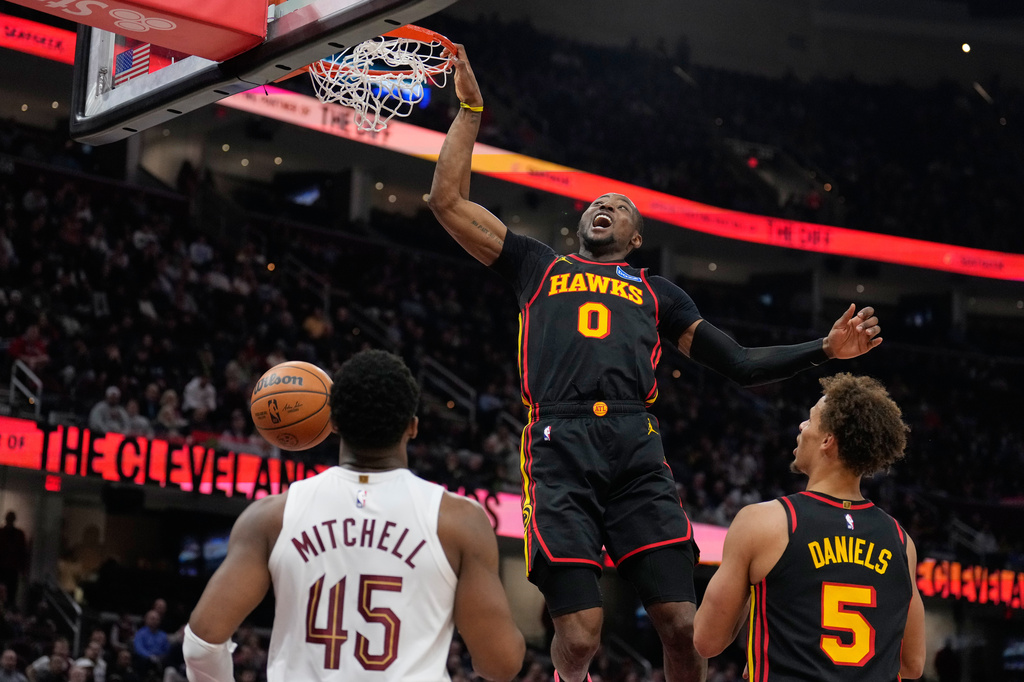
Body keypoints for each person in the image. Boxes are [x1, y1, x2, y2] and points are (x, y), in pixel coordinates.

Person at [428, 46, 885, 682]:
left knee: (683, 627)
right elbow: (447, 201)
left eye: (619, 204)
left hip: (634, 450)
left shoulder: (658, 293)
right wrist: (471, 111)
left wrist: (824, 351)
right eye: (595, 202)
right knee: (582, 638)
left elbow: (743, 364)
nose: (603, 204)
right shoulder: (538, 265)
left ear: (636, 238)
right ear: (581, 222)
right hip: (559, 447)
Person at [184, 350, 525, 681]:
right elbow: (500, 664)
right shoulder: (459, 522)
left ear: (332, 422)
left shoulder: (271, 515)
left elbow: (201, 645)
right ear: (413, 427)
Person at [693, 373, 926, 680]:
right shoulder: (900, 541)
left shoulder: (764, 522)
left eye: (811, 419)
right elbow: (912, 665)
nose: (802, 427)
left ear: (828, 440)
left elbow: (707, 640)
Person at [0, 511, 28, 604]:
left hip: (12, 567)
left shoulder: (18, 534)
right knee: (7, 592)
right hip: (6, 567)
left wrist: (23, 568)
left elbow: (22, 552)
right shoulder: (4, 533)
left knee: (11, 593)